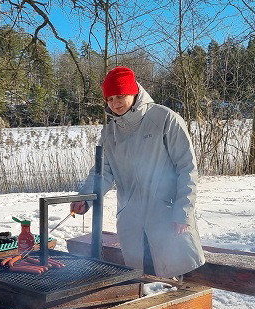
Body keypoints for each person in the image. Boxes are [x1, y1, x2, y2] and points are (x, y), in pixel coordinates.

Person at [71, 66, 205, 279]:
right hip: (131, 220)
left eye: (120, 96)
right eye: (110, 98)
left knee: (170, 283)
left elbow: (187, 168)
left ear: (133, 91)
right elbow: (101, 173)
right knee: (139, 282)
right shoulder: (110, 133)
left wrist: (183, 212)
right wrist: (85, 198)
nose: (115, 103)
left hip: (167, 217)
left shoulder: (164, 119)